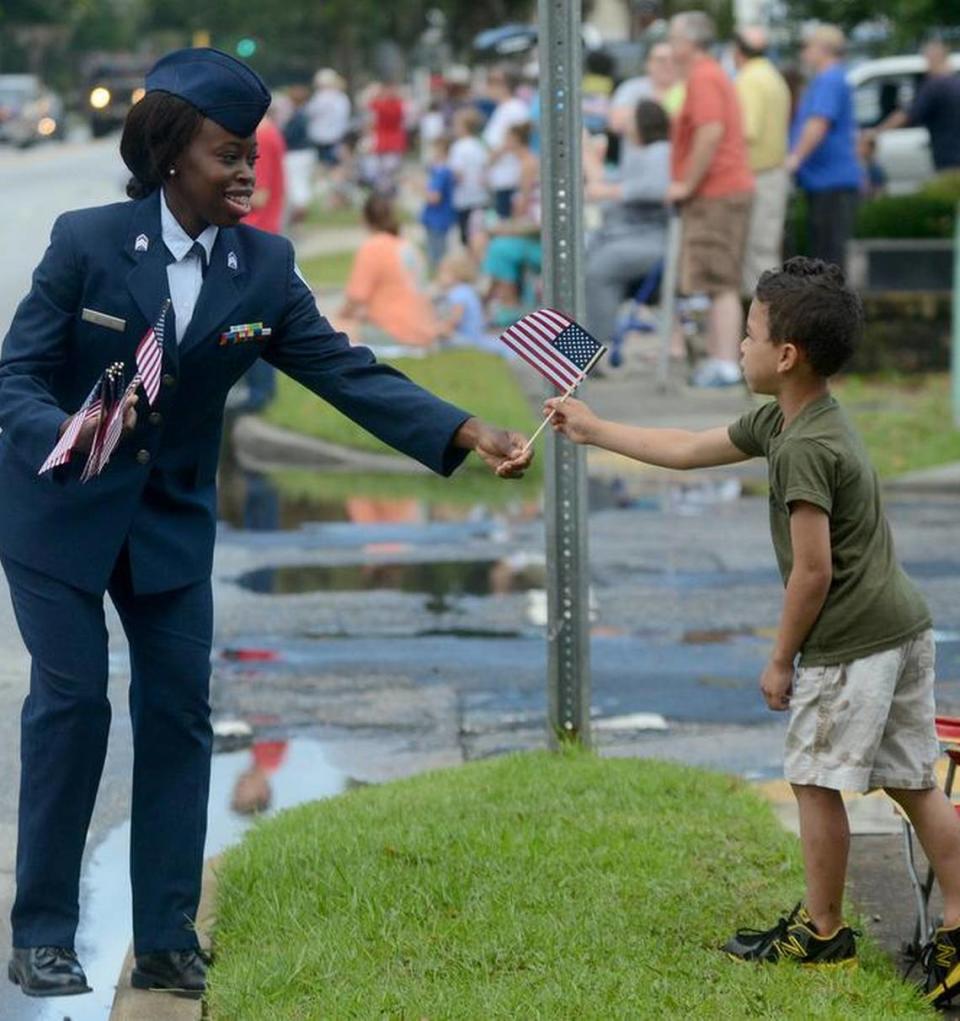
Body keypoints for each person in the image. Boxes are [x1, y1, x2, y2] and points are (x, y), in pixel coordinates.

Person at [0, 47, 532, 1001]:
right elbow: (16, 379)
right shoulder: (85, 241)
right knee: (73, 704)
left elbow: (345, 369)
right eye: (229, 154)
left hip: (166, 523)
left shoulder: (263, 267)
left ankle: (165, 936)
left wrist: (464, 429)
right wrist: (70, 435)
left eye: (253, 154)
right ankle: (41, 929)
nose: (249, 172)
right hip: (58, 509)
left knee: (179, 713)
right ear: (172, 157)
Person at [545, 257, 960, 1002]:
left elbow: (813, 572)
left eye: (748, 334)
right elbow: (688, 449)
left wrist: (780, 660)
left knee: (812, 779)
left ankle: (825, 933)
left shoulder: (802, 445)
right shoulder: (794, 416)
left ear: (786, 355)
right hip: (900, 625)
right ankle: (959, 932)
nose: (738, 347)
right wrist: (596, 426)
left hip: (853, 643)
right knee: (910, 781)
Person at [666, 11, 754, 388]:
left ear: (688, 43)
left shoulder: (703, 77)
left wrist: (686, 183)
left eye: (672, 39)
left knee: (720, 281)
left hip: (716, 191)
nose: (670, 48)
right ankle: (721, 360)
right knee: (717, 280)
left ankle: (725, 363)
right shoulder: (708, 74)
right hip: (719, 190)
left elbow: (710, 132)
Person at [583, 99, 671, 350]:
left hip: (648, 240)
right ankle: (571, 349)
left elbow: (655, 188)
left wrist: (612, 192)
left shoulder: (661, 151)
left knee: (598, 271)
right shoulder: (641, 152)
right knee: (581, 265)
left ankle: (593, 350)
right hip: (626, 236)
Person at [786, 25, 861, 268]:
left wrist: (795, 158)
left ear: (824, 49)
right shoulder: (830, 78)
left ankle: (831, 307)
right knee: (828, 254)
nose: (803, 53)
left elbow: (818, 123)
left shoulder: (829, 79)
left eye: (807, 46)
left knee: (828, 259)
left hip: (831, 182)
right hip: (827, 181)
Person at [733, 26, 791, 295]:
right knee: (765, 248)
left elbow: (747, 130)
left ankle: (763, 321)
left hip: (758, 174)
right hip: (773, 172)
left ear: (737, 51)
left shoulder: (749, 80)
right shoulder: (773, 76)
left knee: (756, 253)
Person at [338, 194, 440, 348]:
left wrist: (340, 316)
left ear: (365, 219)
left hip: (398, 331)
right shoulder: (408, 246)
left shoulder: (373, 247)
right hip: (423, 326)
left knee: (332, 330)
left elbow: (355, 298)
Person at [480, 122, 541, 323]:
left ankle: (506, 305)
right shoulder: (525, 162)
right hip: (532, 232)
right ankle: (491, 302)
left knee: (499, 248)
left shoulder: (528, 164)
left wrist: (504, 229)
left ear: (514, 140)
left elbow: (525, 209)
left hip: (537, 238)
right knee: (493, 244)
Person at [874, 37, 960, 174]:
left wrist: (876, 132)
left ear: (934, 57)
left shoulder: (935, 86)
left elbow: (908, 115)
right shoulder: (955, 83)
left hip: (949, 158)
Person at [481, 66, 531, 219]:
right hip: (500, 178)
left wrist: (491, 158)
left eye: (491, 83)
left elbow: (516, 139)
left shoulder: (514, 108)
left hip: (510, 177)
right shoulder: (502, 108)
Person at [449, 107, 489, 247]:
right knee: (478, 233)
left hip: (464, 198)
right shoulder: (480, 145)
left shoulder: (459, 147)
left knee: (465, 237)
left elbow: (457, 174)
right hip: (480, 196)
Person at [435, 250, 487, 349]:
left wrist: (435, 330)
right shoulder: (467, 290)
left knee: (436, 337)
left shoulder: (457, 294)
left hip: (467, 339)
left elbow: (454, 321)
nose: (439, 277)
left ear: (456, 275)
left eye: (442, 273)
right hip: (477, 336)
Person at [281, 84, 317, 224]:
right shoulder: (305, 114)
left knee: (296, 186)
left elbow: (289, 135)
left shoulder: (298, 116)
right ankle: (299, 217)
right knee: (301, 184)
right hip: (306, 152)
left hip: (296, 153)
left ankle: (298, 219)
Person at [420, 136, 457, 273]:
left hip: (438, 218)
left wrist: (419, 188)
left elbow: (435, 197)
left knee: (438, 254)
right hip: (435, 218)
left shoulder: (442, 172)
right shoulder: (439, 172)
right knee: (434, 251)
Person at [367, 79, 408, 196]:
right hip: (388, 140)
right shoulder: (399, 104)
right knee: (386, 171)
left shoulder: (383, 105)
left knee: (385, 172)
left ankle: (385, 193)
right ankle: (386, 193)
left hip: (390, 140)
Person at [306, 68, 350, 169]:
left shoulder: (321, 97)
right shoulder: (341, 97)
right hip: (337, 135)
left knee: (324, 165)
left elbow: (310, 112)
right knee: (335, 165)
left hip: (322, 137)